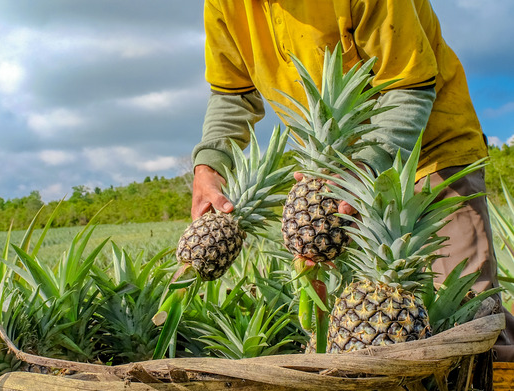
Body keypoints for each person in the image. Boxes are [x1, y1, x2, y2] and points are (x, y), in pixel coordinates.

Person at [191, 0, 514, 361]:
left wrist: (364, 167)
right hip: (335, 175)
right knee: (375, 326)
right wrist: (209, 165)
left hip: (432, 156)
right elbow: (232, 94)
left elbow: (410, 86)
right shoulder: (223, 4)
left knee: (470, 318)